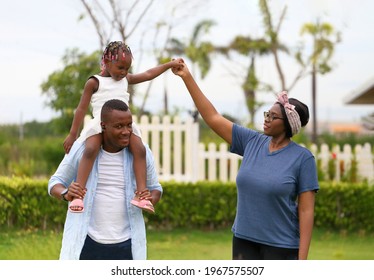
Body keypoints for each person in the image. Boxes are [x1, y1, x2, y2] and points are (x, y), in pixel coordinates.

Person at [172, 61, 319, 260]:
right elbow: (213, 117)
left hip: (281, 246)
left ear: (288, 125)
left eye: (273, 117)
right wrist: (187, 77)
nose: (266, 118)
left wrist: (302, 261)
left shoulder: (303, 159)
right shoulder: (251, 141)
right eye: (267, 113)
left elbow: (306, 210)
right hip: (244, 241)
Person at [63, 41, 180, 213]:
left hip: (122, 125)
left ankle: (141, 195)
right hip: (100, 125)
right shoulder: (94, 82)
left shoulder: (126, 79)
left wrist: (169, 64)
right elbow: (81, 109)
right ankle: (78, 195)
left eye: (127, 68)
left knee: (139, 149)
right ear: (107, 62)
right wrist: (72, 135)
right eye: (120, 67)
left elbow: (148, 74)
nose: (124, 72)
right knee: (90, 149)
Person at [48, 99, 162, 260]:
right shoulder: (81, 150)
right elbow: (55, 183)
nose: (126, 131)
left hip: (128, 245)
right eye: (118, 126)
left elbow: (156, 188)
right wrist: (66, 193)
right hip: (85, 242)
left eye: (129, 125)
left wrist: (150, 198)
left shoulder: (142, 153)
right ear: (103, 126)